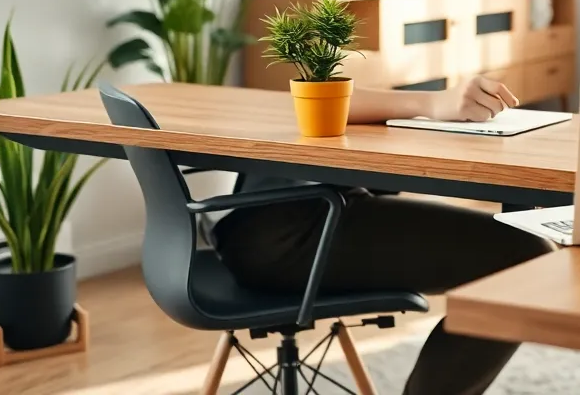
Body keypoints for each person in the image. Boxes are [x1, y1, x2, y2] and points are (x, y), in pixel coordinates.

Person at [211, 75, 552, 395]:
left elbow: (323, 97)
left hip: (298, 211)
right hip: (286, 231)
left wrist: (433, 105)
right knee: (525, 259)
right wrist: (435, 104)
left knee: (525, 256)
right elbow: (303, 102)